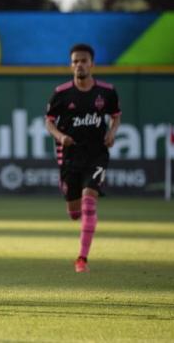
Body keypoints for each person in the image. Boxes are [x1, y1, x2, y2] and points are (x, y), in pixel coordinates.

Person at [45, 43, 121, 273]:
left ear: (92, 64)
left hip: (97, 154)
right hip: (70, 157)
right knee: (75, 213)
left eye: (84, 60)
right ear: (71, 65)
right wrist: (60, 136)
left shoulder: (106, 92)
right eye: (75, 61)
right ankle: (68, 191)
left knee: (89, 202)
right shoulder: (61, 93)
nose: (79, 64)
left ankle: (82, 259)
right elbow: (49, 121)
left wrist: (111, 132)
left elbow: (115, 116)